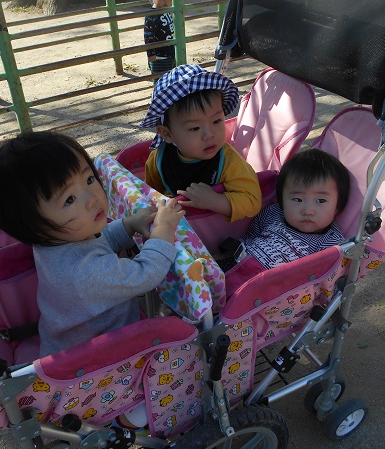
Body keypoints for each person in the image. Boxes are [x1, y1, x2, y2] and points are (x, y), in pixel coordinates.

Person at [0, 131, 186, 358]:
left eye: (89, 180)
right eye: (69, 199)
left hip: (67, 341)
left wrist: (127, 225)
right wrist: (163, 229)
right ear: (35, 228)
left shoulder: (56, 240)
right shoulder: (85, 273)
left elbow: (98, 241)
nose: (92, 198)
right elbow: (146, 273)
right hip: (94, 364)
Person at [139, 64, 262, 222]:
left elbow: (253, 201)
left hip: (211, 229)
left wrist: (215, 201)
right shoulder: (159, 159)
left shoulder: (228, 161)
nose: (209, 135)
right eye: (194, 128)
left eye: (217, 121)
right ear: (167, 134)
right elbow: (150, 194)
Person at [220, 148, 351, 295]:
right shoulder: (273, 212)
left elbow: (325, 281)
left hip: (265, 289)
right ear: (282, 200)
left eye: (321, 201)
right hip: (239, 260)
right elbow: (252, 234)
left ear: (337, 205)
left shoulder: (330, 243)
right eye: (298, 199)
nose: (308, 210)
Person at [144, 0, 175, 80]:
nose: (165, 1)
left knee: (170, 79)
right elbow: (148, 37)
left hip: (170, 53)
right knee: (160, 81)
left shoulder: (168, 10)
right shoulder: (152, 15)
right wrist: (151, 55)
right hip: (159, 58)